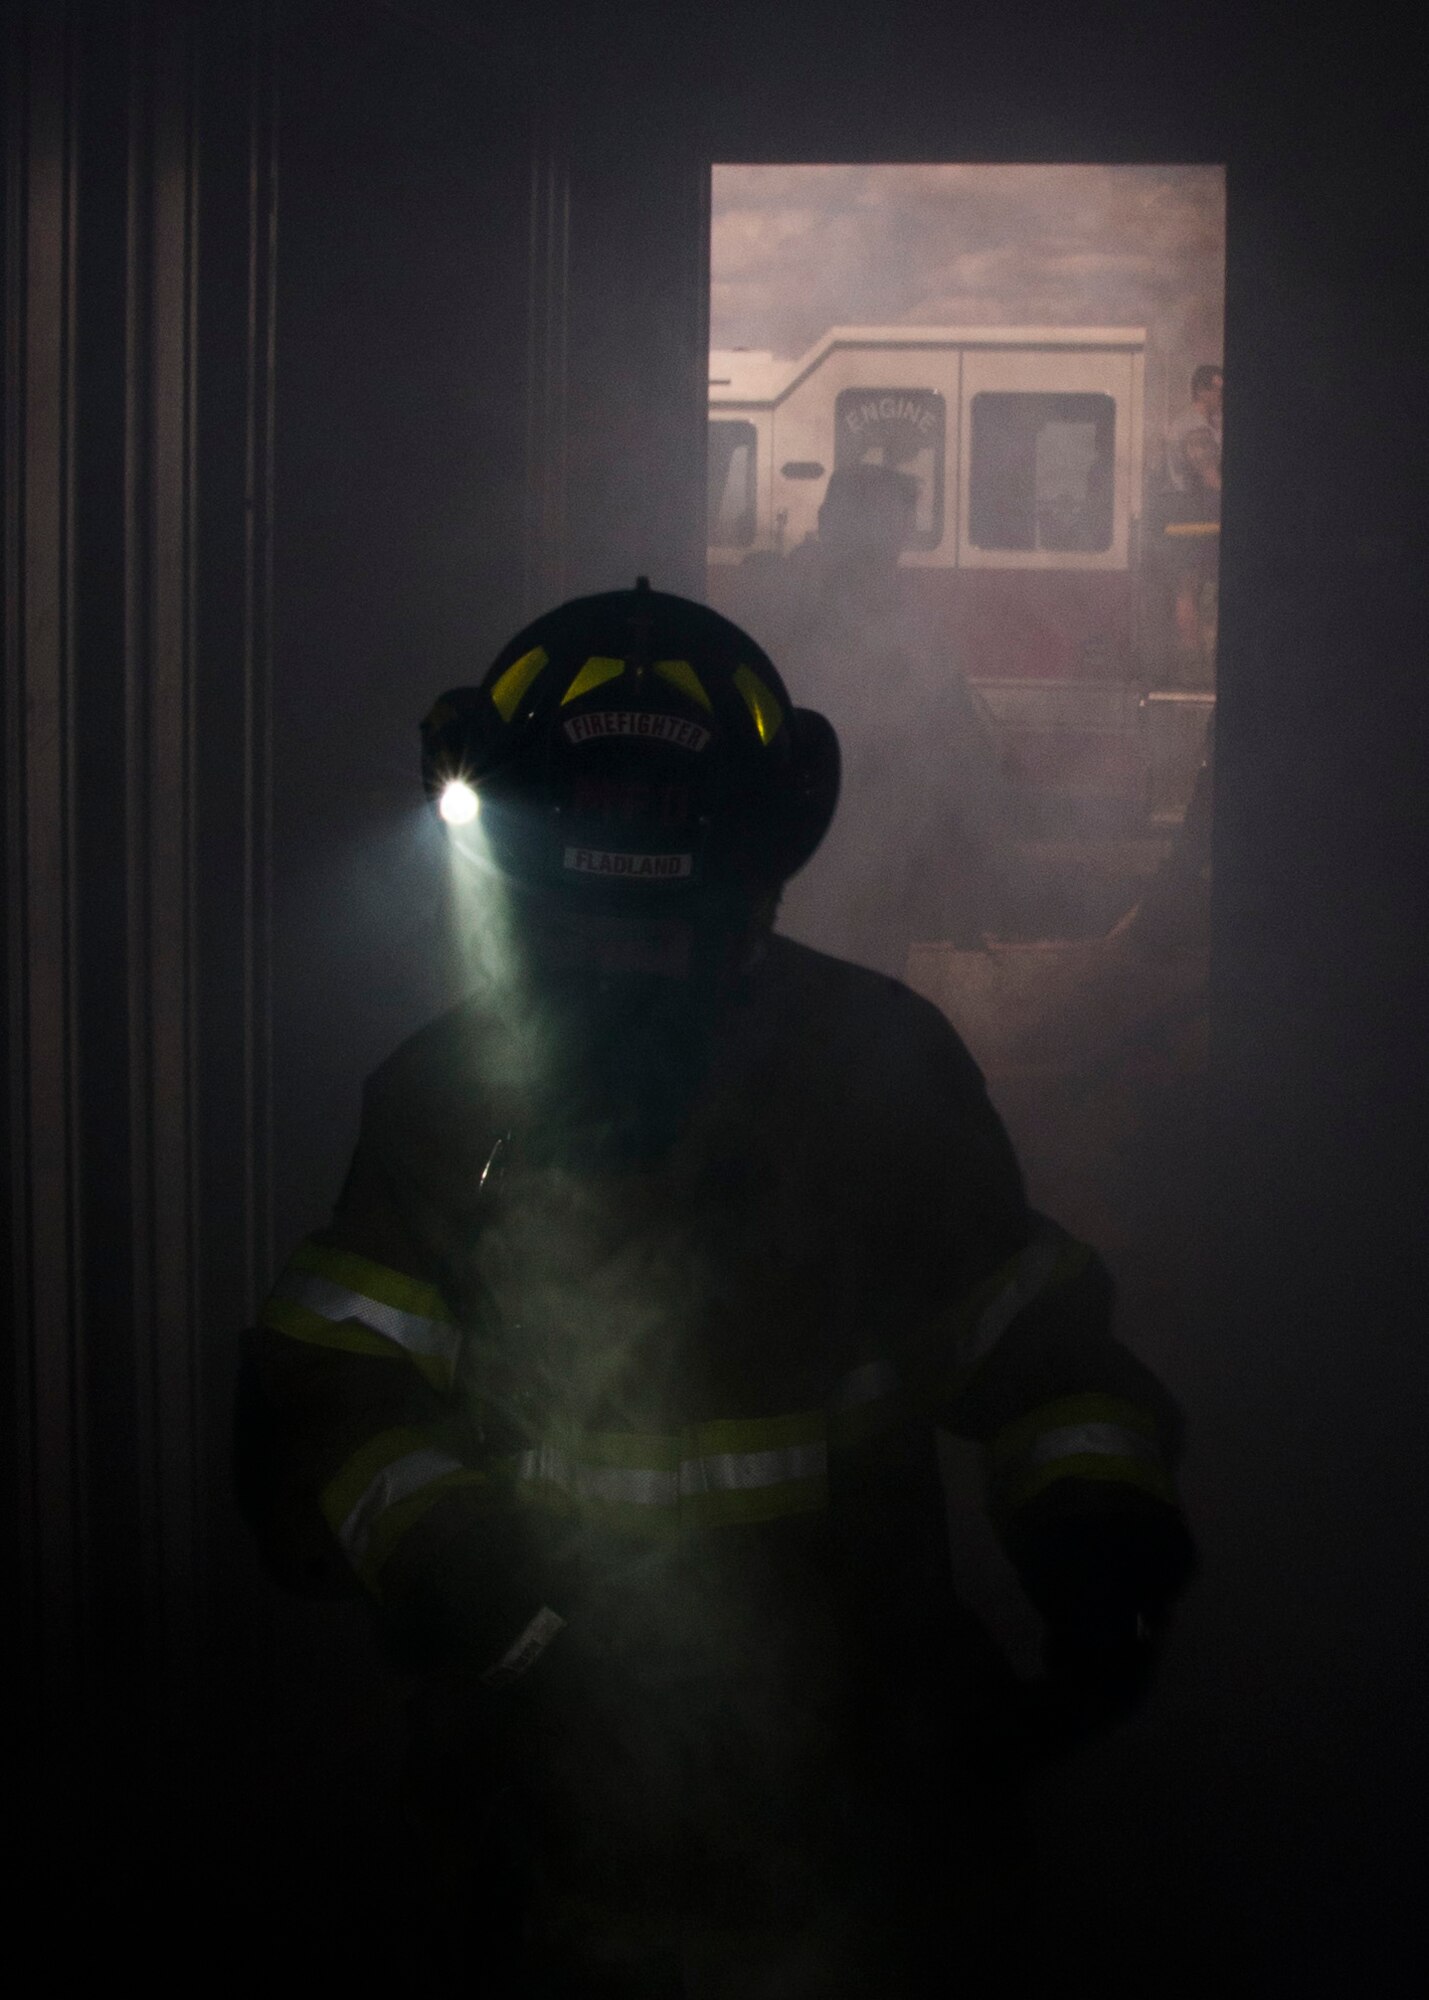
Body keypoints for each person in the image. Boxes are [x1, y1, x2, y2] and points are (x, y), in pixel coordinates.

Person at [235, 581, 1194, 1996]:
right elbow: (329, 1392)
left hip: (869, 1776)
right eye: (581, 915)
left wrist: (1095, 1530)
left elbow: (1036, 1351)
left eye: (660, 925)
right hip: (543, 1779)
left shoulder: (878, 1072)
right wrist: (453, 1567)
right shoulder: (444, 1103)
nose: (625, 969)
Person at [768, 463, 1026, 973]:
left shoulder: (897, 615)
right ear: (835, 521)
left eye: (896, 531)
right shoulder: (789, 608)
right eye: (885, 529)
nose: (892, 547)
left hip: (877, 852)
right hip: (817, 847)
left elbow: (953, 733)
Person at [1164, 364, 1224, 673]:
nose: (1222, 396)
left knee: (1200, 587)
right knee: (1193, 588)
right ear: (1201, 390)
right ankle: (1195, 664)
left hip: (1200, 518)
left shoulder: (1207, 425)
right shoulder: (1194, 428)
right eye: (1218, 389)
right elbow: (1210, 476)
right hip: (1195, 518)